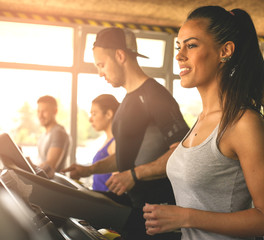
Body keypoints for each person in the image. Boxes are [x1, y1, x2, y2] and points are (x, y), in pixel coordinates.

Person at [143, 5, 264, 240]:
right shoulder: (202, 120)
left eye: (191, 45)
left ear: (225, 51)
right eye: (179, 47)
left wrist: (185, 217)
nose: (179, 55)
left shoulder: (244, 123)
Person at [62, 27, 189, 239]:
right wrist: (89, 170)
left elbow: (182, 154)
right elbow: (127, 156)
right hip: (136, 207)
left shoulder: (155, 95)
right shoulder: (128, 99)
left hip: (159, 214)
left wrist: (134, 175)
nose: (100, 72)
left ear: (120, 56)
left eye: (102, 65)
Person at [89, 94, 119, 192]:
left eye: (94, 114)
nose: (90, 119)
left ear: (108, 114)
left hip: (106, 203)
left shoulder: (115, 143)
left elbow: (117, 183)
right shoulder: (108, 141)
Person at [37, 95, 70, 178]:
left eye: (44, 111)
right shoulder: (43, 135)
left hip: (55, 187)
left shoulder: (58, 133)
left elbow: (49, 166)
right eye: (38, 111)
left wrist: (26, 164)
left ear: (55, 111)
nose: (40, 115)